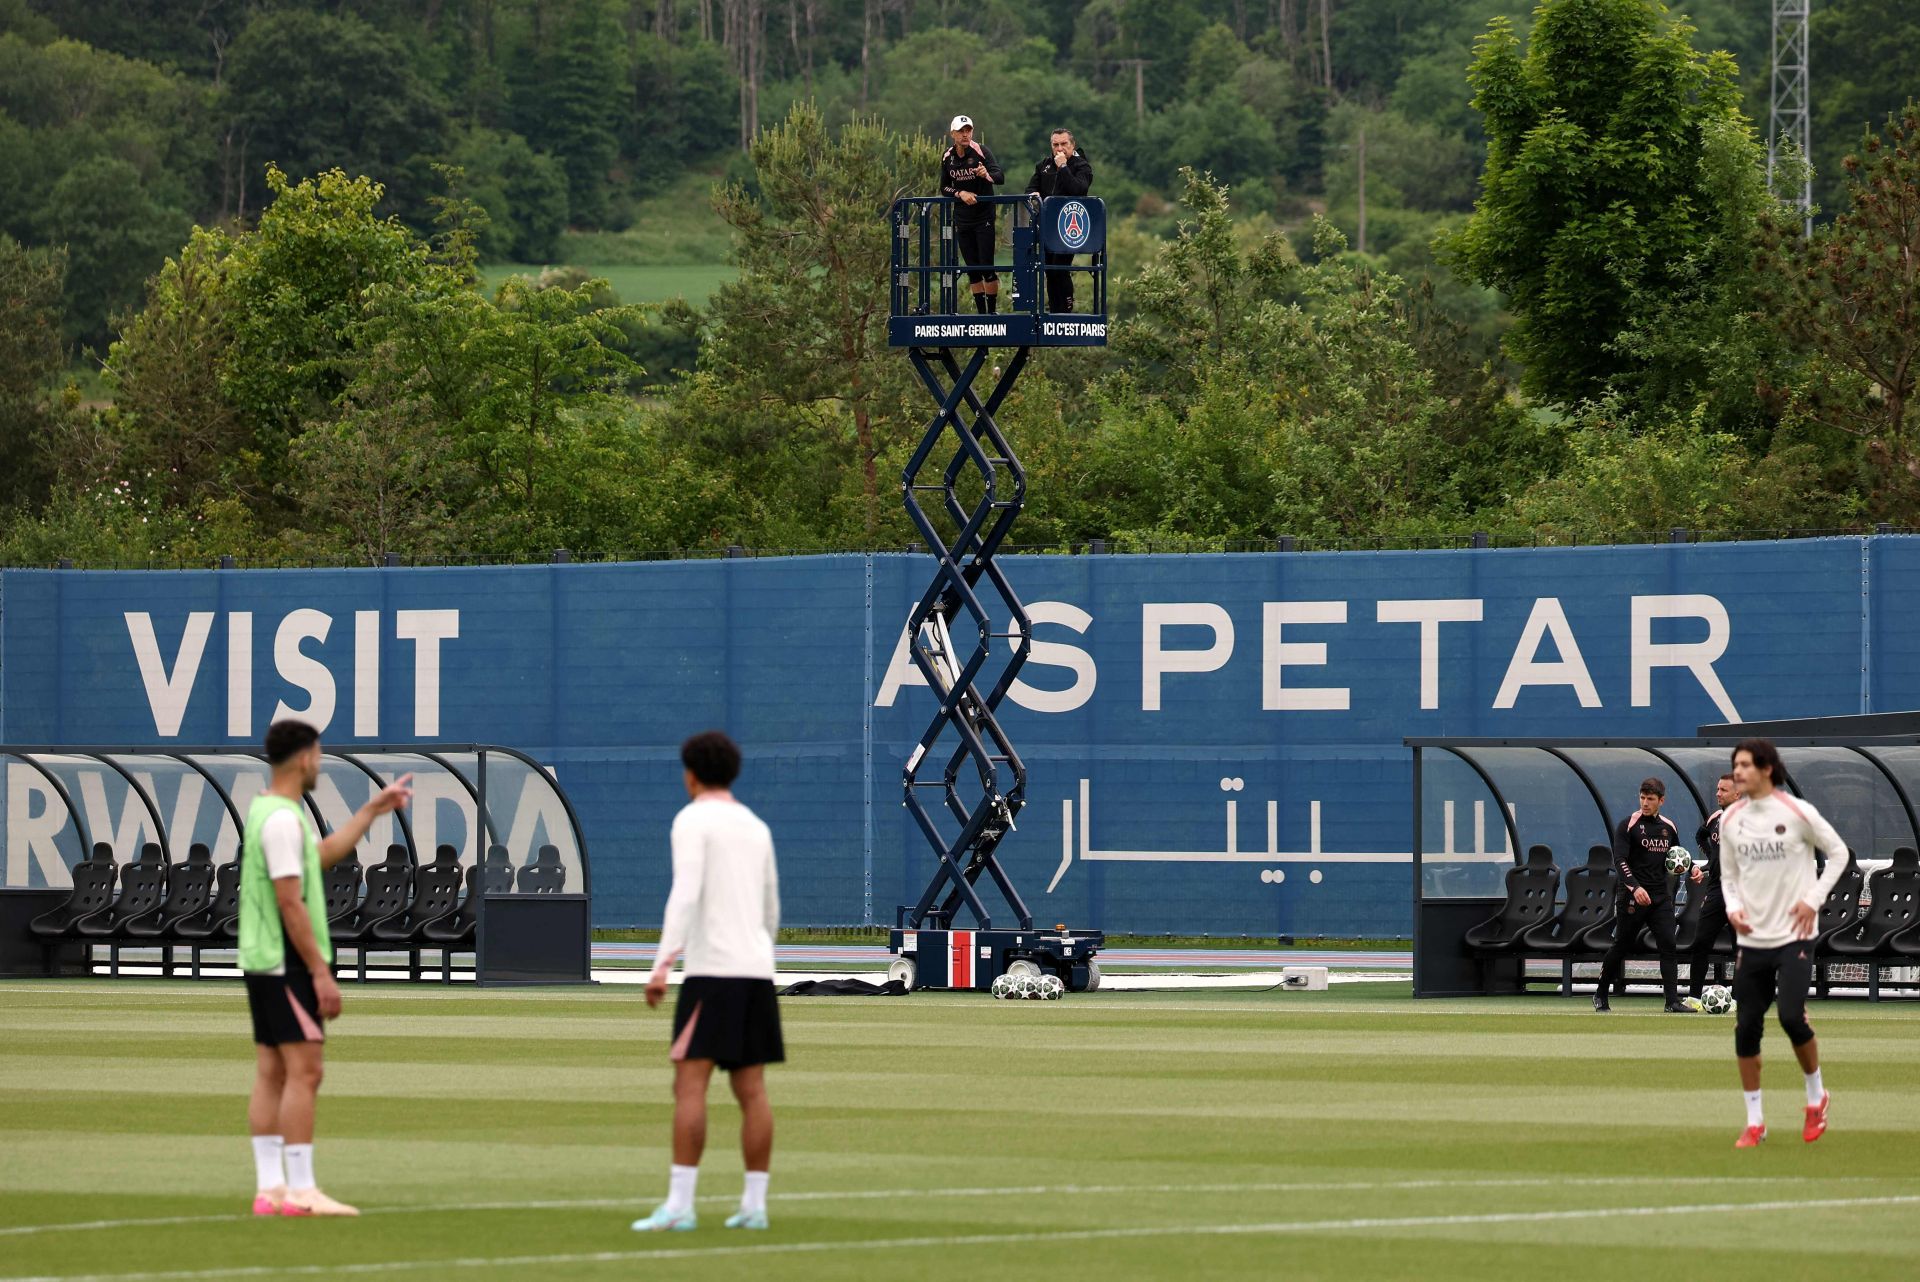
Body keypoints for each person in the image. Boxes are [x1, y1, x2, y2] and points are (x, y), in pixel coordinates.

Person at [241, 719, 412, 1217]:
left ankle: (271, 1190)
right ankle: (301, 1189)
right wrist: (319, 970)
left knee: (272, 1071)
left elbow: (319, 857)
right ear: (304, 758)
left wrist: (371, 812)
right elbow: (290, 903)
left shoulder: (270, 812)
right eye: (318, 753)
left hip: (264, 959)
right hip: (285, 960)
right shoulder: (280, 819)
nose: (320, 761)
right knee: (305, 1070)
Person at [633, 731, 783, 1233]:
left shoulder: (692, 818)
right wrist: (761, 958)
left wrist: (660, 966)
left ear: (691, 773)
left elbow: (685, 894)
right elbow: (771, 908)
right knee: (753, 1090)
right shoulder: (756, 826)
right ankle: (754, 1206)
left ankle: (679, 1206)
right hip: (755, 972)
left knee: (689, 1084)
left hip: (712, 972)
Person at [1720, 738, 1850, 1148]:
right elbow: (1728, 877)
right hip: (1751, 939)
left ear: (1768, 770)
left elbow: (1840, 854)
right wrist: (1733, 907)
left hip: (1794, 936)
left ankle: (1816, 1097)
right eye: (1735, 765)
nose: (1738, 772)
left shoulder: (1797, 811)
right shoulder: (1730, 820)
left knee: (1792, 1017)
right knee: (1747, 1029)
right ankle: (1754, 1121)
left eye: (1745, 765)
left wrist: (1813, 900)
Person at [1594, 777, 1687, 1013]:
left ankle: (1672, 1001)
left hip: (1659, 897)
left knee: (1668, 945)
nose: (1645, 803)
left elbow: (1677, 858)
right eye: (1642, 798)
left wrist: (1693, 869)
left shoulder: (1669, 827)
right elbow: (1619, 860)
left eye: (1650, 799)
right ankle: (1601, 993)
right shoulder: (1628, 825)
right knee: (1622, 944)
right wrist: (1635, 887)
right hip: (1632, 896)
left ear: (1661, 801)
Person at [1681, 772, 1738, 1008]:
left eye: (1723, 790)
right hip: (1716, 890)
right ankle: (1694, 998)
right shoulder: (1715, 817)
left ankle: (1741, 997)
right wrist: (1711, 860)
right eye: (1717, 789)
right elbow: (1700, 835)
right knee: (1701, 941)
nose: (1718, 793)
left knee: (1741, 948)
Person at [939, 114, 1004, 314]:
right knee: (972, 270)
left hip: (983, 217)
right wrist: (960, 193)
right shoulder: (947, 156)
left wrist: (986, 175)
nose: (965, 135)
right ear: (953, 134)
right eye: (961, 131)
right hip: (962, 218)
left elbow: (1000, 177)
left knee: (986, 267)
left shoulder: (981, 151)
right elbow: (944, 188)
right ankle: (981, 313)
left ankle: (991, 312)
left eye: (968, 130)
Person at [1025, 127, 1093, 314]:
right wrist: (1033, 194)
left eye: (1064, 144)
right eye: (1055, 144)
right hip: (1047, 225)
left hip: (1069, 226)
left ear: (1073, 145)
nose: (1059, 148)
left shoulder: (1082, 166)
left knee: (1060, 268)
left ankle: (1066, 308)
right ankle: (1055, 310)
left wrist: (1063, 167)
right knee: (1049, 269)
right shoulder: (1043, 165)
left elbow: (1079, 189)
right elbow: (1029, 188)